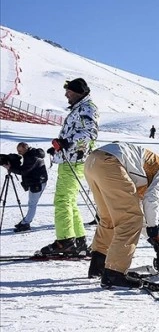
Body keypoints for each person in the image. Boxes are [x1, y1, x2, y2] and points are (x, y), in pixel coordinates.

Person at [84, 142, 159, 288]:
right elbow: (150, 202)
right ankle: (114, 273)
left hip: (94, 161)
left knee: (109, 218)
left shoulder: (146, 178)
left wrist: (155, 239)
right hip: (112, 163)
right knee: (129, 221)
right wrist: (155, 232)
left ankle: (98, 265)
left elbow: (142, 215)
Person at [43, 78, 98, 256]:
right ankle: (78, 240)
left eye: (70, 92)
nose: (66, 95)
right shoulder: (80, 108)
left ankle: (65, 240)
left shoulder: (86, 108)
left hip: (75, 160)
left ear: (79, 92)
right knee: (69, 200)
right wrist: (60, 147)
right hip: (70, 158)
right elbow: (77, 132)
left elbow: (90, 133)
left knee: (62, 200)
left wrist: (67, 143)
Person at [5, 143, 48, 232]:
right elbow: (25, 168)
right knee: (32, 203)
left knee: (32, 204)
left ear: (25, 148)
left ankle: (26, 223)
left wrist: (10, 168)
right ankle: (25, 221)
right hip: (37, 181)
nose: (19, 153)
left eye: (20, 151)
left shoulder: (32, 157)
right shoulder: (30, 154)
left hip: (37, 182)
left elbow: (24, 171)